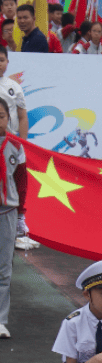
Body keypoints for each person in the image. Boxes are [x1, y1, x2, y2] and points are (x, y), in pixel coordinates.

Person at [0, 98, 23, 341]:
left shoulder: (16, 144)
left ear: (8, 118)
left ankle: (0, 320)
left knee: (4, 269)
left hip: (7, 212)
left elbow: (22, 180)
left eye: (1, 116)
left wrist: (22, 214)